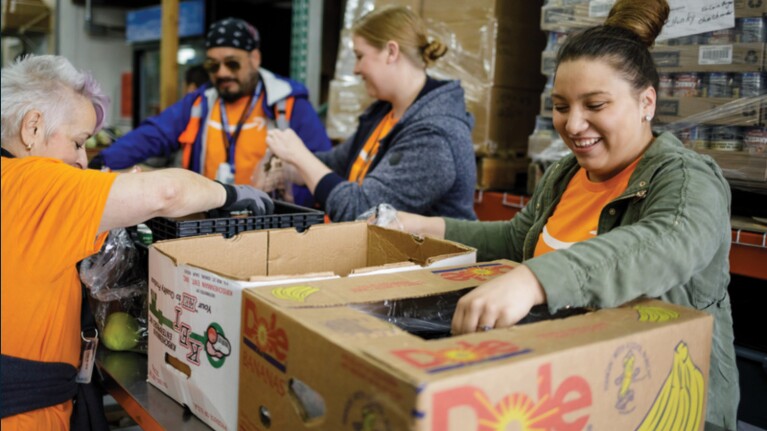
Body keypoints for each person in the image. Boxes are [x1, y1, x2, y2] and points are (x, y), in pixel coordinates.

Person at [381, 0, 739, 428]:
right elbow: (518, 239)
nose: (572, 124)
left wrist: (533, 281)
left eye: (595, 105)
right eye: (562, 106)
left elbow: (662, 245)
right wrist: (423, 226)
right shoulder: (566, 173)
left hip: (660, 395)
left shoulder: (687, 180)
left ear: (647, 102)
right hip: (574, 386)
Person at [1, 54, 273, 430]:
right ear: (32, 127)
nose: (82, 160)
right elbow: (168, 191)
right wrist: (231, 195)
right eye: (78, 142)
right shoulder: (32, 183)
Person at [258, 6, 477, 222]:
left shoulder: (435, 135)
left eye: (360, 56)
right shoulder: (383, 113)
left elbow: (364, 213)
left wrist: (299, 156)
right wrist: (289, 167)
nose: (356, 69)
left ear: (391, 52)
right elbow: (336, 163)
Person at [90, 17, 332, 207]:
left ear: (255, 58)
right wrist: (102, 163)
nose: (222, 73)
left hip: (270, 220)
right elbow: (154, 134)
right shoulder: (200, 102)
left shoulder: (288, 104)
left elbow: (319, 162)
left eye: (232, 63)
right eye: (213, 65)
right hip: (211, 217)